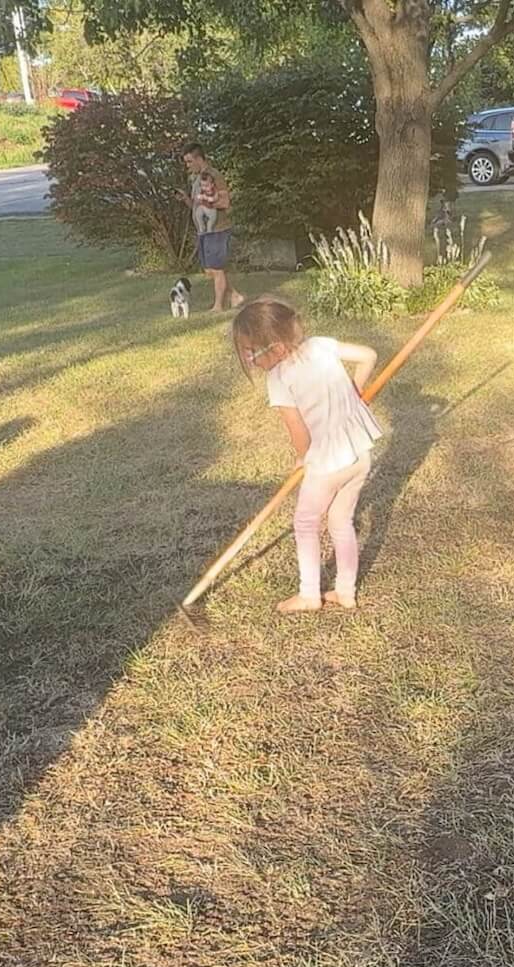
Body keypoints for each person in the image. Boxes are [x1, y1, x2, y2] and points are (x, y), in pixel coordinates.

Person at [232, 298, 382, 615]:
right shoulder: (320, 345)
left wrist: (303, 458)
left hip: (326, 463)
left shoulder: (279, 379)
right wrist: (355, 392)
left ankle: (309, 595)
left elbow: (296, 427)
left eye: (250, 351)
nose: (249, 359)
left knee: (305, 523)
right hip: (359, 453)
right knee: (341, 521)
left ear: (271, 346)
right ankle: (345, 592)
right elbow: (369, 356)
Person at [179, 142, 243, 314]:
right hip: (204, 230)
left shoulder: (214, 176)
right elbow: (198, 205)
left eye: (190, 161)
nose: (188, 165)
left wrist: (207, 201)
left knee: (216, 268)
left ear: (199, 158)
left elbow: (224, 202)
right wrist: (187, 199)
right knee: (210, 270)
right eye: (186, 162)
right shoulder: (196, 179)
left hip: (217, 229)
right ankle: (235, 295)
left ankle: (218, 306)